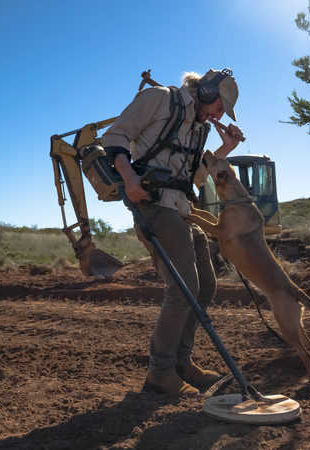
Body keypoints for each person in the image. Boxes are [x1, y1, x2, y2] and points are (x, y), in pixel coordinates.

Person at [101, 69, 243, 395]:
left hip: (182, 209)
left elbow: (193, 178)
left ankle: (182, 363)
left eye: (223, 113)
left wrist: (225, 150)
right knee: (184, 286)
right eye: (219, 106)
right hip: (153, 205)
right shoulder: (160, 99)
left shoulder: (199, 128)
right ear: (206, 90)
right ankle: (160, 372)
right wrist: (128, 177)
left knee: (205, 286)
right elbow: (115, 136)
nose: (218, 115)